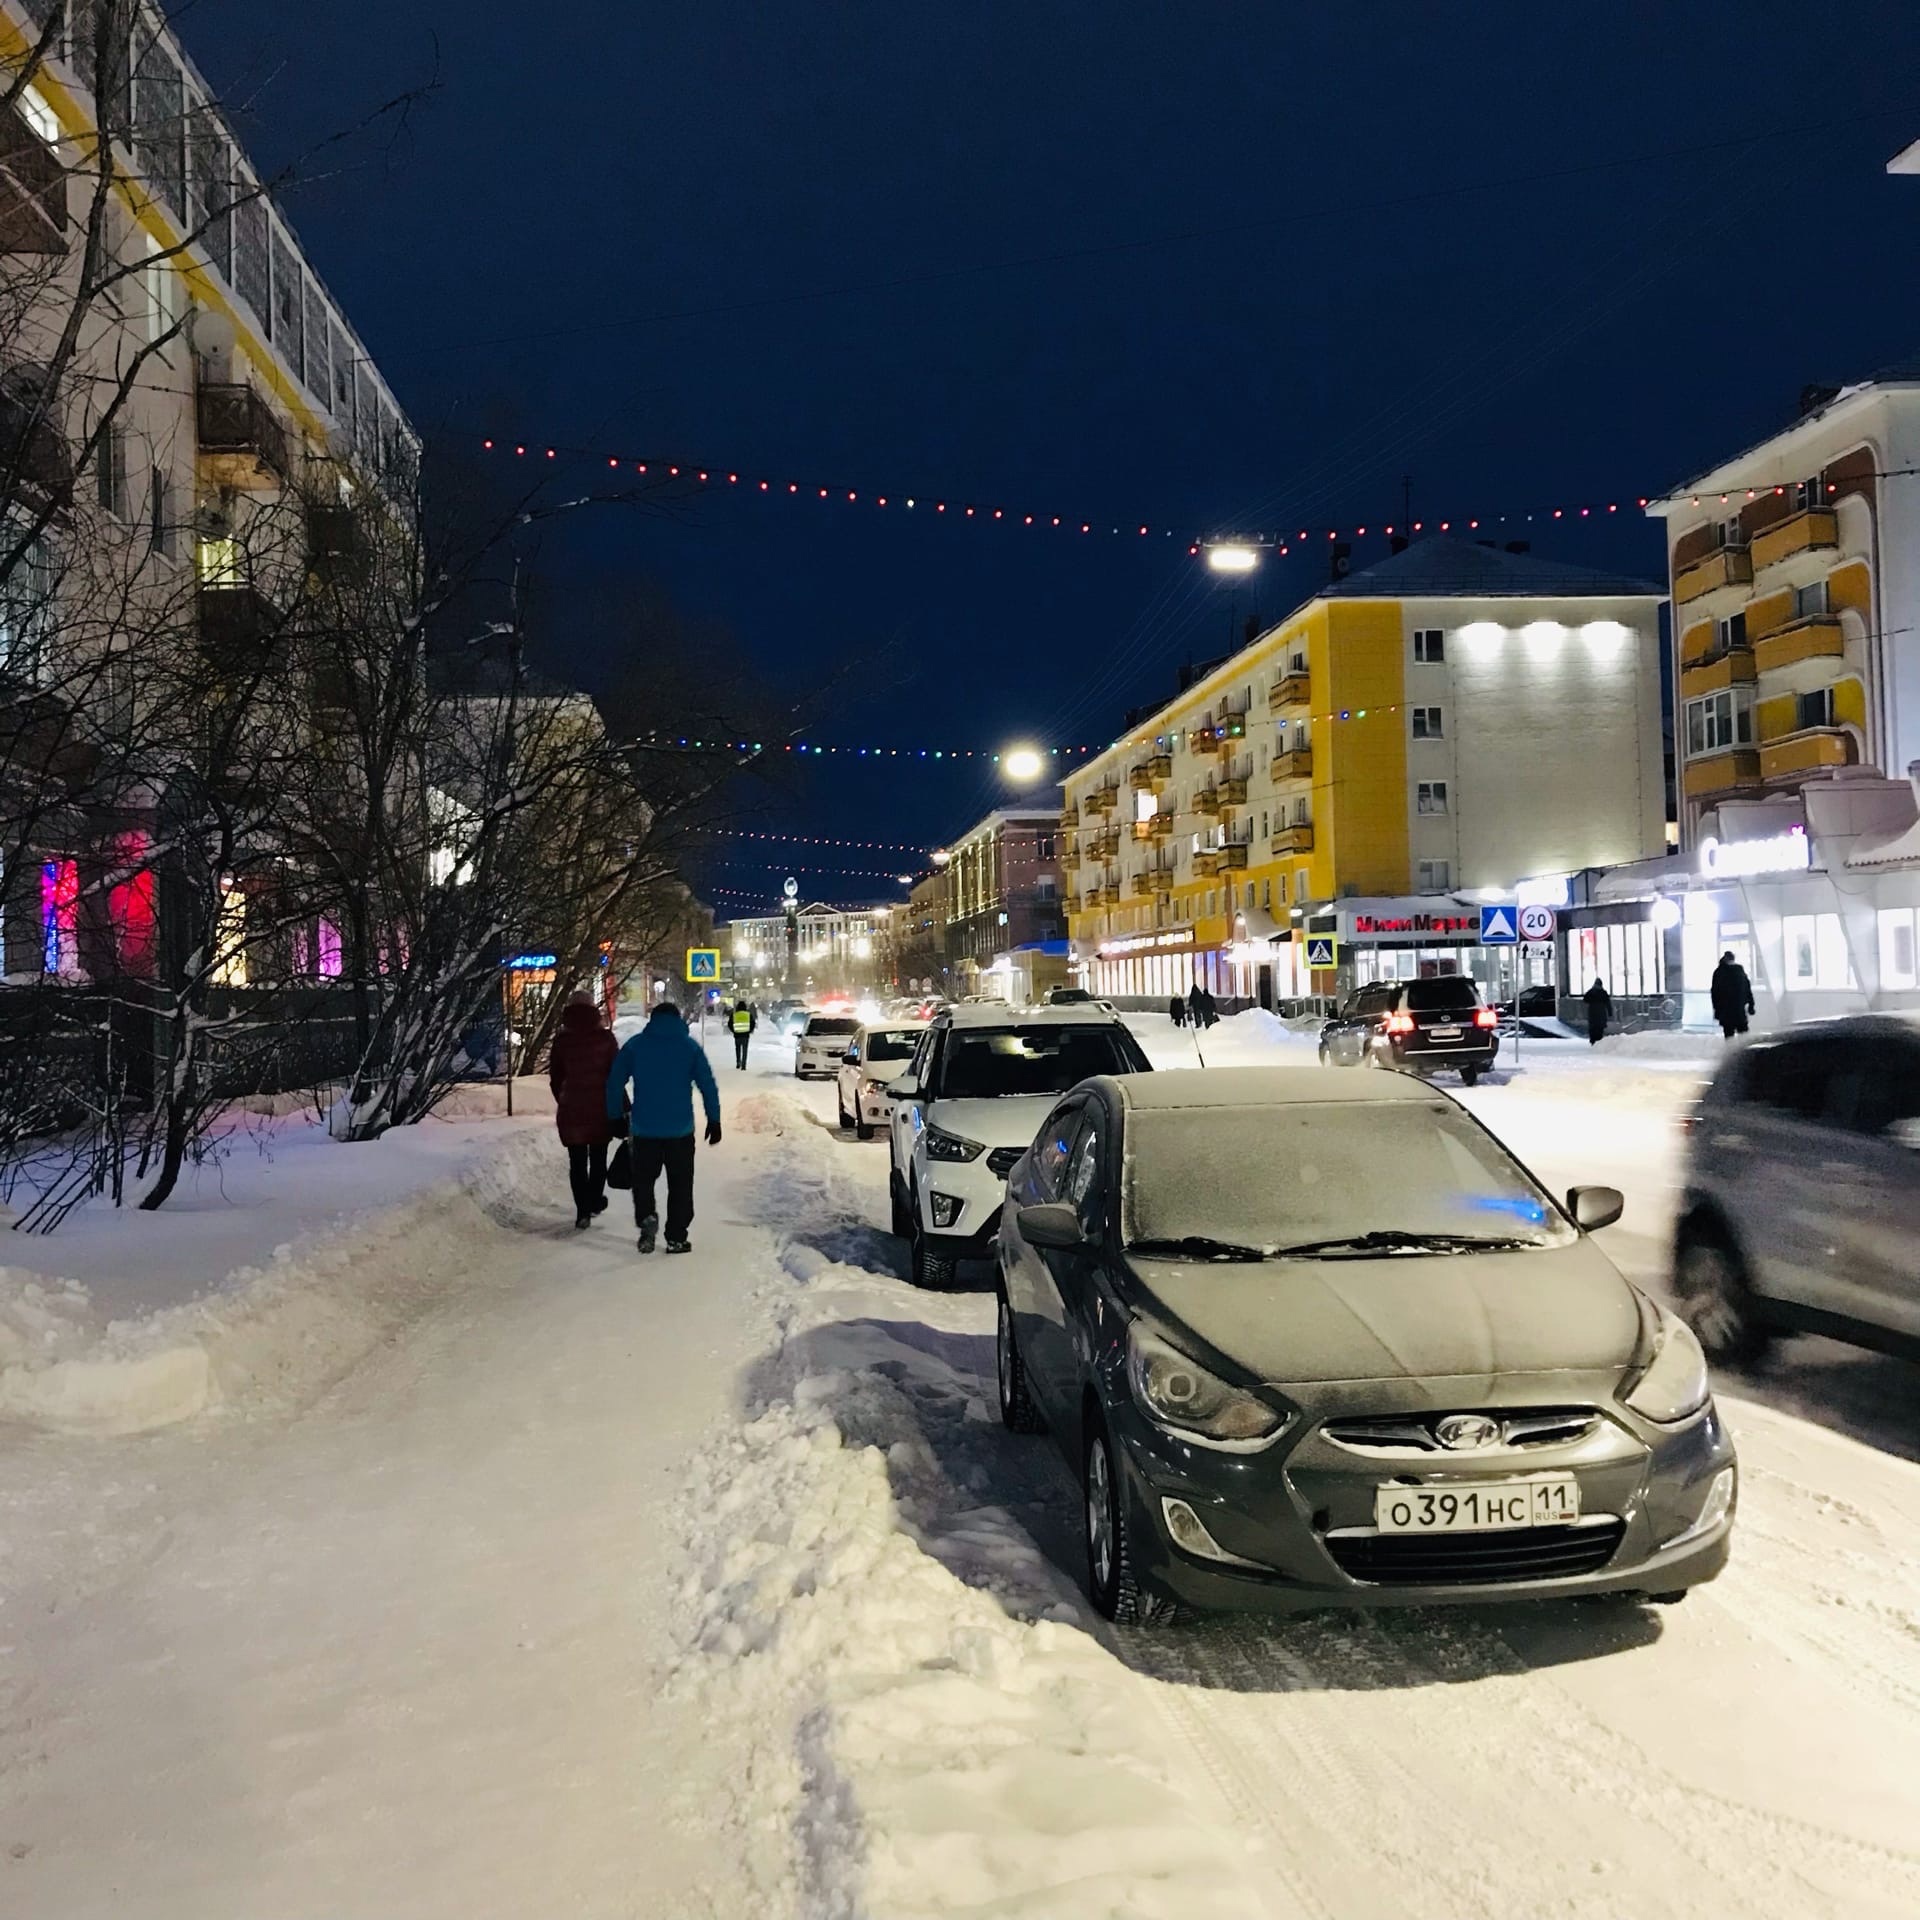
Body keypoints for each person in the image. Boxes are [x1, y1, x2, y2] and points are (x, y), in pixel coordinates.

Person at [606, 1001, 722, 1254]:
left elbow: (614, 1082)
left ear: (653, 1019)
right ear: (677, 1019)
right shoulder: (689, 1047)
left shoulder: (636, 1045)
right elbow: (707, 1085)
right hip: (680, 1130)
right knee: (680, 1184)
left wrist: (615, 1116)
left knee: (643, 1182)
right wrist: (714, 1120)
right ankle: (676, 1236)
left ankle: (647, 1217)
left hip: (644, 1130)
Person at [549, 990, 619, 1228]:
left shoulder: (562, 1040)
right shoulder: (605, 1038)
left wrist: (565, 1099)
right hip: (601, 1107)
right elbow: (616, 1075)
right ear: (593, 1009)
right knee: (598, 1158)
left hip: (572, 1108)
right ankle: (594, 1199)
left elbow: (555, 1077)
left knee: (577, 1161)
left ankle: (582, 1212)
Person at [1710, 950, 1756, 1039]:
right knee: (1743, 1036)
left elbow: (1715, 993)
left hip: (1726, 1011)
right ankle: (1744, 1052)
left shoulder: (1719, 972)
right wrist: (1751, 1005)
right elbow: (1747, 990)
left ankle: (1731, 1052)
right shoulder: (1740, 972)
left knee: (1729, 1036)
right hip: (1739, 1010)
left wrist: (1717, 1010)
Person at [1582, 977, 1614, 1047]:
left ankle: (1593, 1041)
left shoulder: (1591, 991)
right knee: (1600, 1028)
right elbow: (1608, 1003)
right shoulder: (1603, 992)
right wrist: (1610, 1013)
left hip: (1592, 1012)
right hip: (1601, 1013)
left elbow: (1585, 999)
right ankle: (1599, 1041)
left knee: (1593, 1027)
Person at [728, 998, 757, 1069]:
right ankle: (743, 1065)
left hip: (737, 1035)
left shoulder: (734, 1015)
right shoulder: (748, 1014)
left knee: (737, 1049)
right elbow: (753, 1024)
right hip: (745, 1035)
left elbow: (729, 1024)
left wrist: (734, 1031)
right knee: (745, 1050)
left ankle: (738, 1062)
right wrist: (749, 1031)